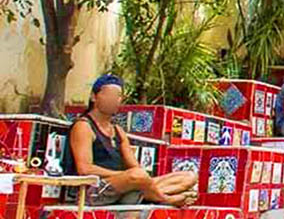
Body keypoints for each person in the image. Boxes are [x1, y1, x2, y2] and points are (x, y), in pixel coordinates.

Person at [64, 75, 198, 206]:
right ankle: (164, 199)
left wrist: (137, 179)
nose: (114, 99)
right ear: (94, 97)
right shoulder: (83, 126)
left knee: (189, 177)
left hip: (123, 188)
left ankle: (145, 194)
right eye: (109, 94)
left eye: (118, 96)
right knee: (137, 176)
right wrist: (126, 176)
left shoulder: (118, 131)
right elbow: (84, 169)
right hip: (92, 191)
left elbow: (136, 168)